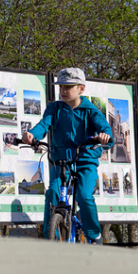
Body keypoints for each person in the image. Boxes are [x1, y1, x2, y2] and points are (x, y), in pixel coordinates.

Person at [22, 67, 111, 243]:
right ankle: (50, 236)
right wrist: (32, 135)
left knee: (84, 197)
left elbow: (105, 129)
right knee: (52, 193)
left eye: (68, 87)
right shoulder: (54, 108)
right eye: (61, 87)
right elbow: (43, 125)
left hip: (85, 161)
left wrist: (104, 136)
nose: (63, 91)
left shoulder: (90, 111)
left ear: (81, 89)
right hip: (61, 162)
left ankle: (94, 235)